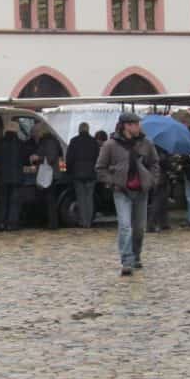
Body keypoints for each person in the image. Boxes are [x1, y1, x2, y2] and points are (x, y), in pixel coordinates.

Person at [96, 112, 160, 276]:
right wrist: (112, 181)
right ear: (126, 126)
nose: (138, 126)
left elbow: (155, 163)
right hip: (121, 190)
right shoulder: (110, 145)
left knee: (139, 228)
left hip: (141, 190)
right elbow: (100, 168)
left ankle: (136, 255)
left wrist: (152, 180)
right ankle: (126, 260)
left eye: (138, 123)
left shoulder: (146, 143)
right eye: (135, 124)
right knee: (125, 226)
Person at [0, 119, 25, 231]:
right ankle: (12, 224)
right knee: (14, 202)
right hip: (17, 177)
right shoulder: (21, 144)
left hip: (3, 176)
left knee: (3, 201)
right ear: (16, 130)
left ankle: (1, 223)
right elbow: (25, 159)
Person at [66, 122, 99, 228]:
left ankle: (83, 221)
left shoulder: (74, 141)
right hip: (91, 173)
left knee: (80, 198)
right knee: (89, 198)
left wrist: (69, 171)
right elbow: (98, 158)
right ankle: (89, 221)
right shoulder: (94, 141)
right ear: (88, 129)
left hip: (78, 173)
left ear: (79, 129)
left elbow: (69, 158)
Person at [30, 121, 62, 230]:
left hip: (50, 174)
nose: (35, 135)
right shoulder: (48, 141)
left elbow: (51, 158)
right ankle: (49, 222)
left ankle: (52, 224)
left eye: (35, 133)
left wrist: (37, 157)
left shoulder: (49, 141)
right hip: (49, 173)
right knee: (48, 199)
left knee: (50, 199)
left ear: (40, 132)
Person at [147, 148, 173, 233]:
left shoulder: (154, 148)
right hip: (160, 178)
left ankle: (164, 223)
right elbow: (164, 163)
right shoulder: (160, 150)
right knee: (158, 202)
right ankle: (152, 225)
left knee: (163, 201)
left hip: (158, 177)